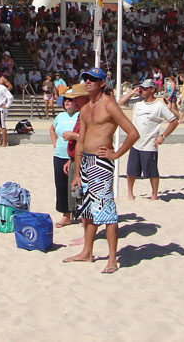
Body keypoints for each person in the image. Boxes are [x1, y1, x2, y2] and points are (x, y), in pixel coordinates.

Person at [64, 67, 140, 274]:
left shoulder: (109, 106)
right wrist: (77, 171)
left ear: (102, 83)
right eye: (86, 78)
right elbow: (81, 142)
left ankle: (112, 258)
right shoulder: (86, 109)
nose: (88, 81)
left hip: (101, 162)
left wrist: (116, 154)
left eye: (93, 79)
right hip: (86, 162)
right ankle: (87, 252)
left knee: (106, 212)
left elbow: (133, 133)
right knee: (87, 211)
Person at [118, 79, 179, 201]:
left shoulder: (159, 106)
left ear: (152, 90)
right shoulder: (137, 102)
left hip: (149, 144)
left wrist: (163, 136)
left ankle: (154, 194)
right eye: (142, 88)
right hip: (135, 143)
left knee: (152, 172)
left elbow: (174, 121)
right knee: (131, 170)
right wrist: (133, 92)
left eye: (145, 88)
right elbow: (120, 102)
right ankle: (130, 193)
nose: (142, 90)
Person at [49, 85, 86, 228]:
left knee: (77, 187)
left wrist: (74, 137)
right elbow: (52, 129)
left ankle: (82, 215)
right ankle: (66, 215)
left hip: (76, 156)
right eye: (65, 100)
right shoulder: (60, 116)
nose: (67, 102)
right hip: (59, 155)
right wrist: (55, 143)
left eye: (70, 100)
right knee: (61, 186)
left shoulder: (80, 115)